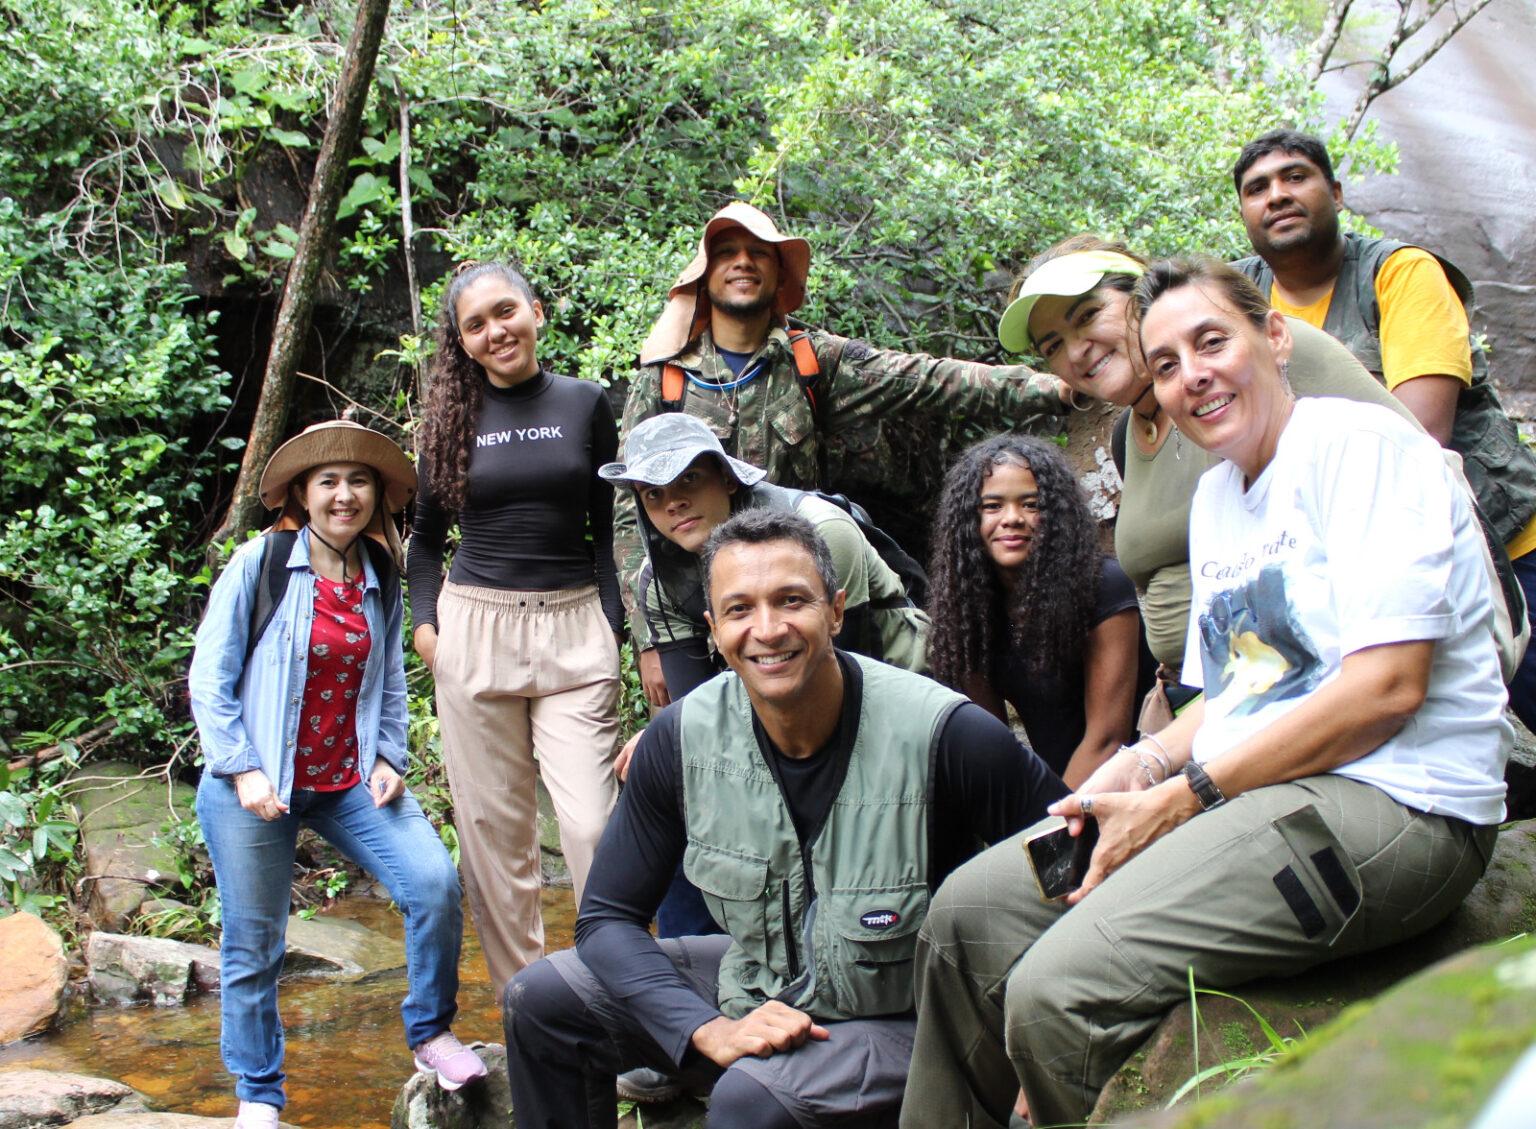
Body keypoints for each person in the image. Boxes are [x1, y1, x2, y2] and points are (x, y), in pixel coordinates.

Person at [901, 259, 1510, 1129]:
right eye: (1168, 362)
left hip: (1399, 801)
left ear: (1273, 337)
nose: (1193, 374)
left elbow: (1387, 688)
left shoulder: (1360, 449)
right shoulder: (1222, 497)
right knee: (965, 916)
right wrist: (1142, 764)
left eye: (1211, 341)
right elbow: (1244, 686)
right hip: (1256, 784)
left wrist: (1186, 797)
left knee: (1056, 987)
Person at [503, 510, 1068, 1129]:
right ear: (714, 630)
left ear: (835, 611)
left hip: (914, 1021)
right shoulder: (680, 740)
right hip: (762, 988)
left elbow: (1076, 864)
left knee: (753, 1098)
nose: (767, 630)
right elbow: (607, 919)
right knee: (543, 999)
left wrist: (1035, 1048)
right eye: (740, 610)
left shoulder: (948, 736)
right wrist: (704, 1028)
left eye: (791, 601)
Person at [617, 201, 1071, 710]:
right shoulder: (665, 379)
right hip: (711, 613)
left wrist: (1053, 388)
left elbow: (924, 380)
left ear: (779, 272)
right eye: (726, 252)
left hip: (806, 584)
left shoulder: (814, 360)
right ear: (705, 275)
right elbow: (630, 515)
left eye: (758, 253)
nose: (742, 262)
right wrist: (649, 636)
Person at [190, 421, 485, 1129]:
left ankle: (429, 1033)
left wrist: (389, 756)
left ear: (376, 494)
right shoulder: (260, 563)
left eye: (358, 481)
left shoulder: (378, 576)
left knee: (434, 883)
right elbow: (209, 677)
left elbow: (388, 682)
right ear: (301, 493)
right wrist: (241, 767)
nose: (345, 495)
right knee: (254, 944)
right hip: (255, 785)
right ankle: (259, 1094)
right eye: (329, 482)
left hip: (347, 779)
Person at [998, 236, 1418, 710]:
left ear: (1142, 297)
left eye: (1087, 316)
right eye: (1053, 345)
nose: (1076, 351)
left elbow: (1419, 469)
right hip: (1202, 696)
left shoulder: (1266, 358)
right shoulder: (1129, 437)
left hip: (1310, 686)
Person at [1230, 128, 1536, 738]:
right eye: (1257, 188)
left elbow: (1418, 431)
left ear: (1336, 194)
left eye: (1296, 177)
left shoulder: (1399, 272)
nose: (1277, 196)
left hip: (1497, 538)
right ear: (1243, 214)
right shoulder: (1238, 295)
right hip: (1352, 548)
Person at [408, 261, 622, 991]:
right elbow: (425, 543)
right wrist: (426, 629)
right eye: (476, 324)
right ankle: (526, 1009)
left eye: (506, 312)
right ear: (462, 342)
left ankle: (608, 996)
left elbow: (607, 530)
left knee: (593, 827)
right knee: (497, 844)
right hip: (475, 632)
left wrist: (613, 624)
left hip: (574, 628)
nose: (496, 330)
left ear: (535, 309)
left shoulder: (587, 403)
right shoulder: (447, 425)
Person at [601, 412, 930, 703]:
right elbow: (693, 704)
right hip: (773, 691)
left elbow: (847, 668)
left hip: (901, 677)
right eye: (653, 493)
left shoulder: (822, 533)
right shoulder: (660, 580)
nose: (673, 503)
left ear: (727, 478)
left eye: (689, 478)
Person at [926, 434, 1153, 787]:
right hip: (1056, 790)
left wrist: (1051, 825)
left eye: (1031, 504)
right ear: (967, 521)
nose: (1012, 518)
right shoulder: (969, 611)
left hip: (1133, 780)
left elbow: (1108, 738)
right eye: (992, 506)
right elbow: (994, 743)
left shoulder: (1104, 587)